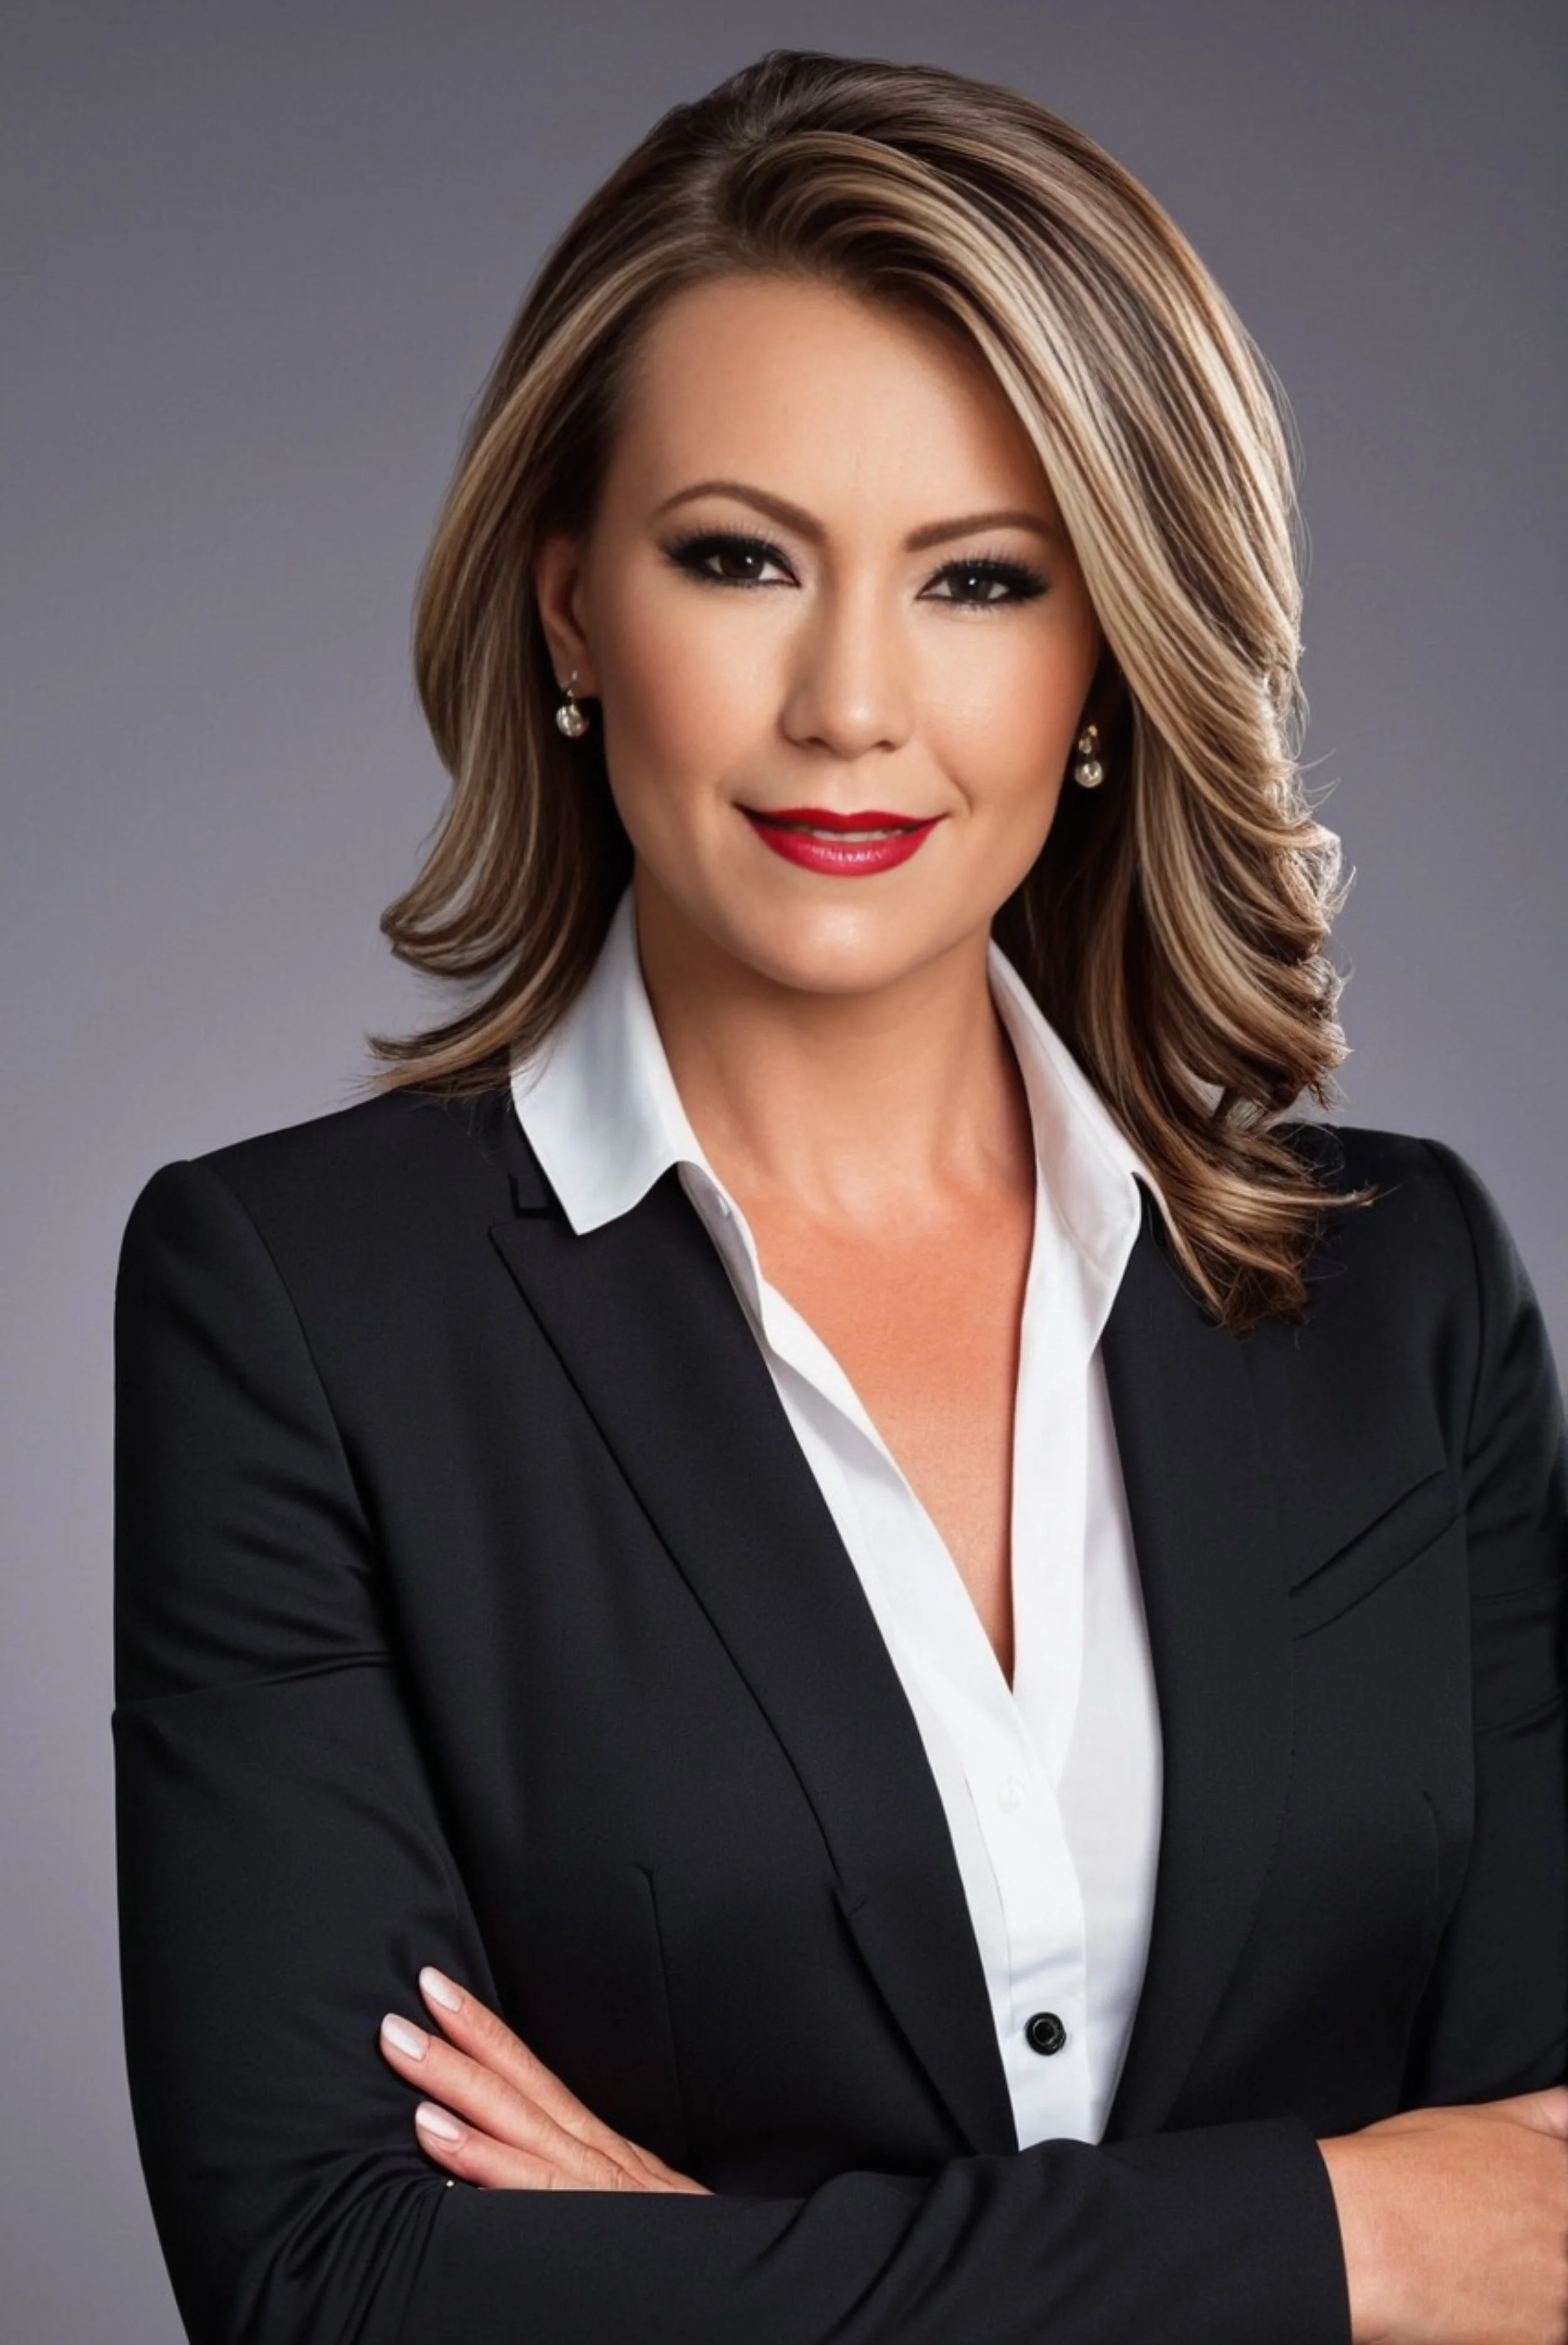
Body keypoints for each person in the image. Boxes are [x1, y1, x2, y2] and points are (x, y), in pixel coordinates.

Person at [113, 46, 1567, 2345]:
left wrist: (686, 2270)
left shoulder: (1405, 1298)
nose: (850, 701)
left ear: (1106, 653)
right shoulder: (295, 1307)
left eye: (979, 578)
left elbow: (1551, 2226)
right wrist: (1343, 2238)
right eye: (738, 559)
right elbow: (339, 2286)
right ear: (569, 607)